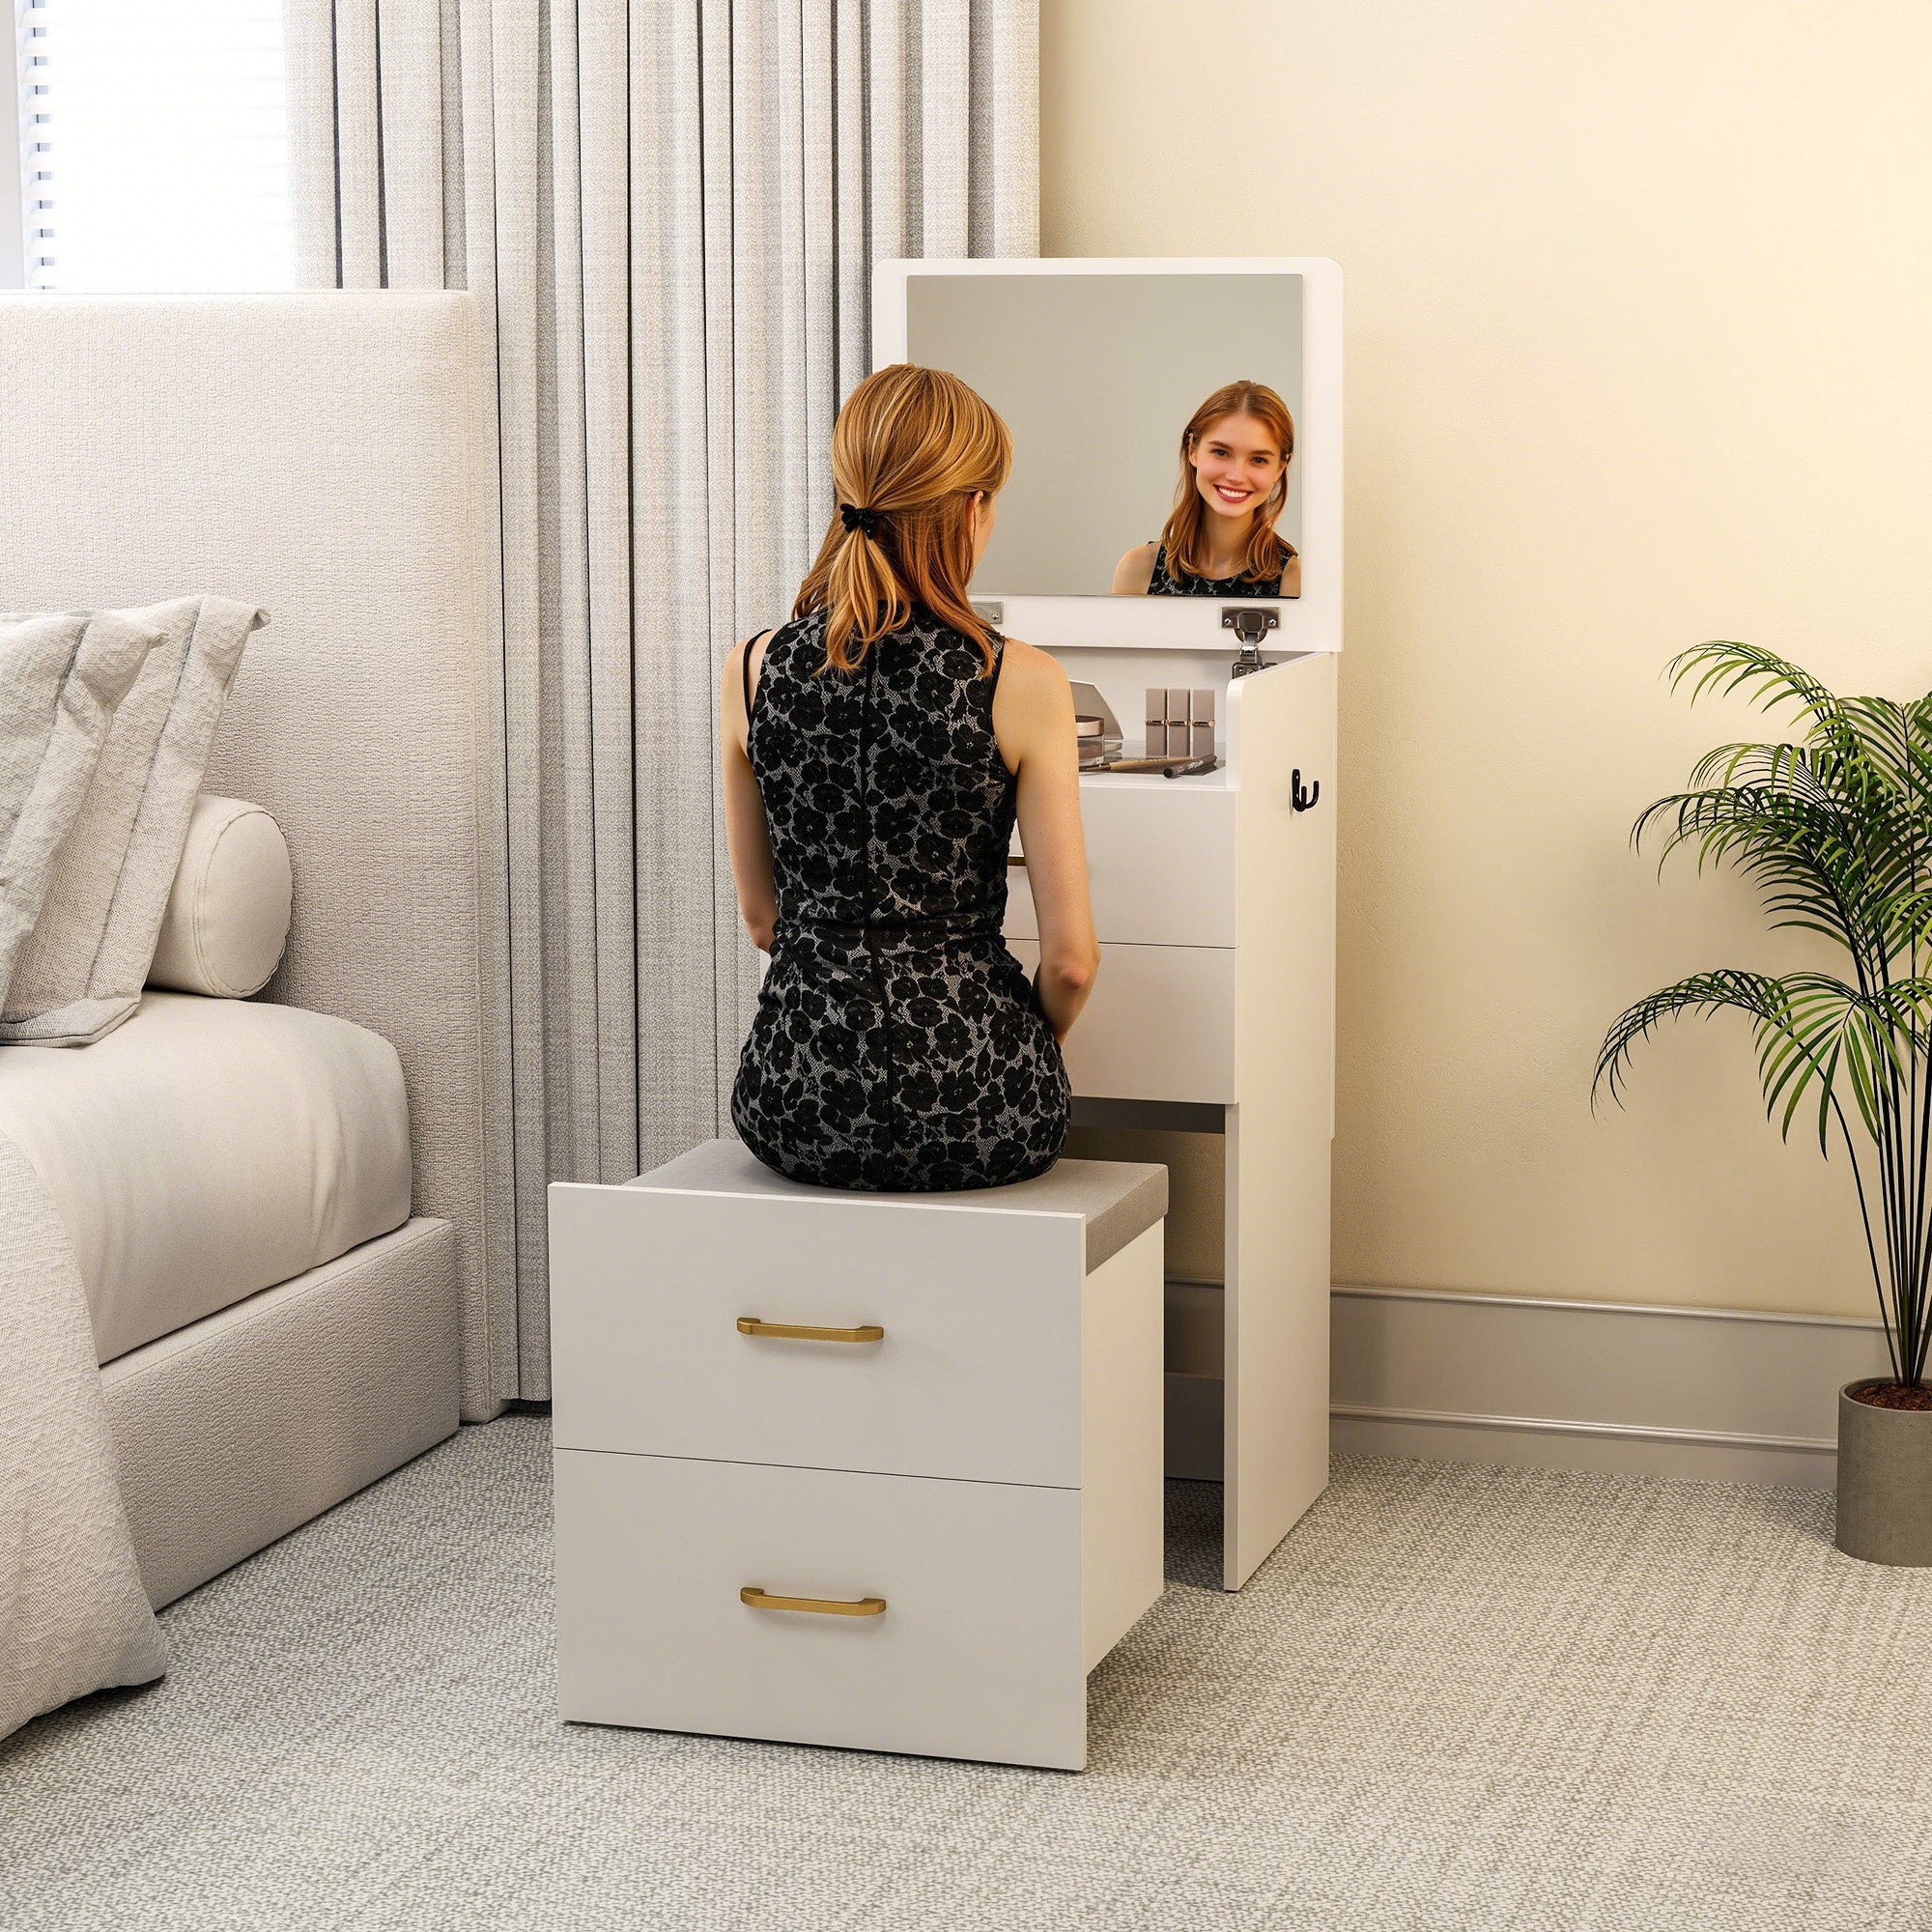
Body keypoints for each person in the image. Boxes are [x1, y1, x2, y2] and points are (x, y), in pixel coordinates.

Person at [722, 363, 1098, 1192]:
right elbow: (1072, 963)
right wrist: (1014, 1049)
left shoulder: (752, 667)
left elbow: (762, 922)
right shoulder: (1020, 679)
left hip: (796, 1101)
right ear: (972, 508)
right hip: (982, 1105)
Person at [1112, 380, 1301, 597]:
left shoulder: (1295, 581)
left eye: (1258, 459)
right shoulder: (1138, 569)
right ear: (1193, 449)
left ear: (1280, 467)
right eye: (1221, 452)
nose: (1236, 476)